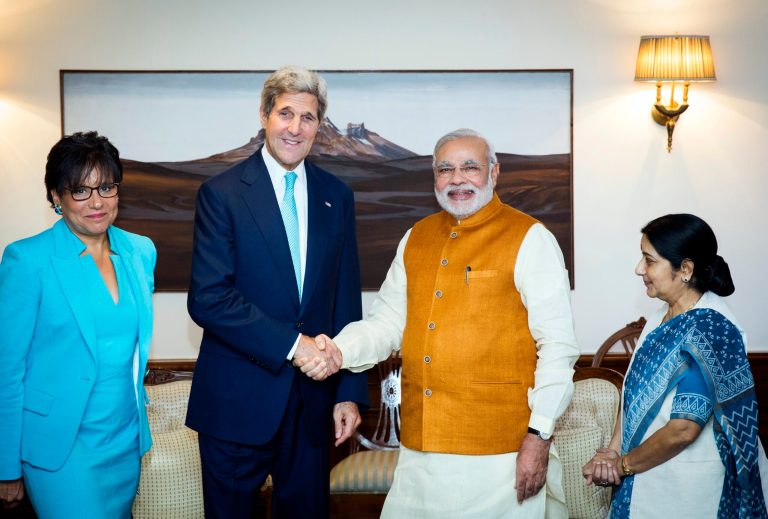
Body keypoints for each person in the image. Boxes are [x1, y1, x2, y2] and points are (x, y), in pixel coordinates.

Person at [300, 128, 580, 518]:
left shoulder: (531, 238)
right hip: (420, 450)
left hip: (500, 452)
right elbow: (386, 323)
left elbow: (558, 347)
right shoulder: (416, 236)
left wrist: (539, 437)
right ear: (433, 177)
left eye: (470, 167)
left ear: (494, 172)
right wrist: (336, 350)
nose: (457, 179)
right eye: (445, 169)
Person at [185, 66, 368, 518]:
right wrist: (294, 345)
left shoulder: (336, 196)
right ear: (265, 115)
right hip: (235, 404)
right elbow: (208, 297)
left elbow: (345, 299)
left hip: (312, 406)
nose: (295, 127)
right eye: (286, 113)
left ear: (318, 127)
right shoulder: (221, 193)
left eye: (308, 118)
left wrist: (348, 391)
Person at [0, 131, 156, 517]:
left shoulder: (140, 251)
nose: (97, 202)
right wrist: (5, 465)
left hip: (124, 440)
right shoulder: (27, 260)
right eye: (80, 190)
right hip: (61, 449)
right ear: (56, 196)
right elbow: (7, 371)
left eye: (106, 187)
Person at [582, 213, 768, 518]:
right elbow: (634, 397)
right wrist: (612, 452)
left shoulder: (711, 327)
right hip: (645, 473)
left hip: (689, 489)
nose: (639, 269)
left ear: (685, 269)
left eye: (649, 260)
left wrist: (622, 465)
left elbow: (684, 429)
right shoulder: (660, 317)